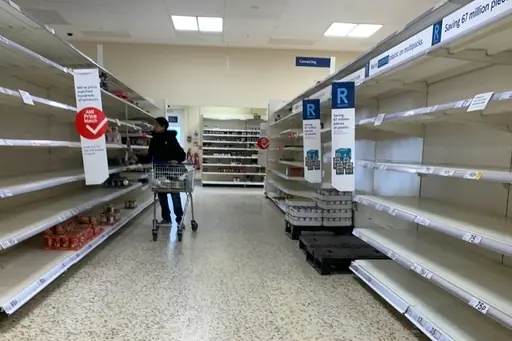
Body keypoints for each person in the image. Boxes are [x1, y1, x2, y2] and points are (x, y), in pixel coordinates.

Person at [148, 117, 186, 226]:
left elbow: (181, 154)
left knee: (175, 194)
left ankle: (179, 219)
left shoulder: (170, 138)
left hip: (171, 171)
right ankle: (166, 217)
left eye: (156, 125)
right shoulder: (154, 139)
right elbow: (150, 155)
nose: (154, 127)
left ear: (163, 126)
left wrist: (176, 160)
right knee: (161, 194)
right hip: (159, 170)